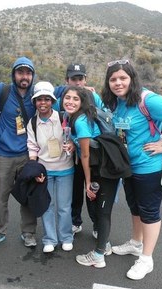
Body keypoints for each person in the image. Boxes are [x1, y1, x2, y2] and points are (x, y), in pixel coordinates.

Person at [102, 59, 162, 280]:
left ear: (132, 79)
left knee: (149, 212)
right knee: (135, 207)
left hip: (148, 167)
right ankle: (135, 243)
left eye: (123, 78)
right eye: (113, 79)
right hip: (129, 167)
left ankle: (146, 259)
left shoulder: (146, 99)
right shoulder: (118, 102)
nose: (118, 83)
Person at [61, 86, 121, 268]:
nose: (70, 102)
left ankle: (99, 254)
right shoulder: (76, 117)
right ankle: (104, 244)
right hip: (98, 167)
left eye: (75, 99)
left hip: (103, 169)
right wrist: (72, 141)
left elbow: (85, 155)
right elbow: (80, 143)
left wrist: (87, 182)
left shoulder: (80, 120)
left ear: (82, 102)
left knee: (102, 210)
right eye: (67, 98)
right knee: (94, 206)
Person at [0, 57, 38, 248]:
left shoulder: (37, 94)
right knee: (0, 197)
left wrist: (85, 90)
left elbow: (63, 92)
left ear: (33, 75)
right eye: (20, 72)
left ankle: (29, 232)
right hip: (3, 155)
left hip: (28, 154)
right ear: (13, 74)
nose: (24, 76)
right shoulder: (1, 91)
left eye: (28, 73)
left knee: (28, 196)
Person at [54, 63, 103, 238]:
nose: (77, 82)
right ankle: (75, 222)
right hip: (74, 154)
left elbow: (102, 121)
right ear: (67, 80)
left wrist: (80, 142)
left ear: (85, 79)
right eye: (73, 79)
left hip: (91, 155)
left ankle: (98, 226)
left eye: (80, 78)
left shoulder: (93, 97)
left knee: (91, 191)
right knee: (75, 191)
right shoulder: (63, 98)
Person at [26, 81, 75, 253]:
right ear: (35, 102)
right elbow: (32, 147)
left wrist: (73, 146)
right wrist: (35, 170)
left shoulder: (64, 117)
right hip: (44, 170)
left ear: (53, 101)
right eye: (39, 99)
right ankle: (49, 239)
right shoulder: (32, 123)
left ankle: (66, 237)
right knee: (47, 206)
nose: (43, 103)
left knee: (64, 206)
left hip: (65, 169)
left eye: (47, 99)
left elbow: (73, 138)